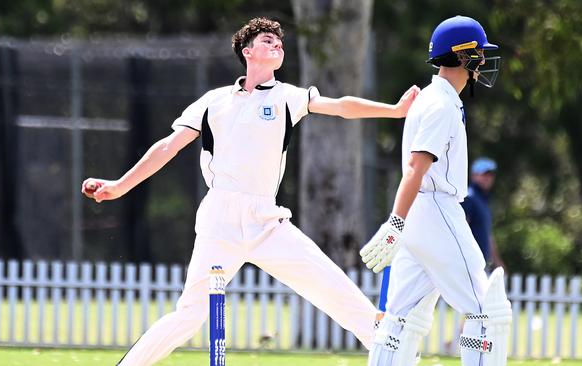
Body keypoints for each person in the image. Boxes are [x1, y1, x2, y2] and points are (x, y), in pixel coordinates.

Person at [82, 17, 420, 366]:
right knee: (190, 313)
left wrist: (394, 111)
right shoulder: (213, 102)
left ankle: (393, 357)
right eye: (268, 40)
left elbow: (340, 106)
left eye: (280, 42)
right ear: (247, 51)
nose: (277, 45)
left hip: (266, 220)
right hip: (220, 221)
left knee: (333, 287)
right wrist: (119, 186)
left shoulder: (289, 97)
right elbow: (168, 147)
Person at [359, 16, 512, 366]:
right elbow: (416, 166)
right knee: (486, 312)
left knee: (400, 320)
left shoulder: (432, 98)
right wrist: (395, 222)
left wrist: (402, 223)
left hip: (419, 217)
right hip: (436, 210)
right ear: (462, 56)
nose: (484, 61)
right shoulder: (441, 105)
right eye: (479, 53)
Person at [462, 157, 505, 272]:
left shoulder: (483, 200)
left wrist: (497, 262)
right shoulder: (469, 197)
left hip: (480, 264)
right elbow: (461, 229)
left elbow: (487, 234)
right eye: (484, 174)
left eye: (491, 175)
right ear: (474, 175)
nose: (488, 178)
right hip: (469, 263)